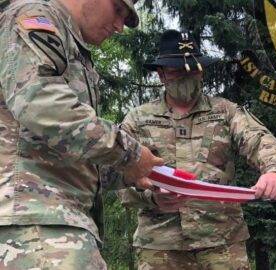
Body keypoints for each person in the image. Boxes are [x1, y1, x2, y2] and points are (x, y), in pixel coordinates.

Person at [0, 0, 164, 269]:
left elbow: (65, 151)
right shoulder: (35, 16)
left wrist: (135, 173)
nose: (120, 26)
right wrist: (130, 153)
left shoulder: (69, 43)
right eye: (118, 10)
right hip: (34, 223)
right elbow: (40, 103)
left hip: (48, 222)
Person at [113, 29, 276, 270]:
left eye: (193, 70)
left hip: (222, 241)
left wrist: (275, 170)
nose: (186, 76)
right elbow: (118, 174)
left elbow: (258, 140)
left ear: (202, 71)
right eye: (177, 71)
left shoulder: (225, 111)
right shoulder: (137, 120)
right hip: (160, 245)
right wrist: (152, 197)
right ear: (161, 75)